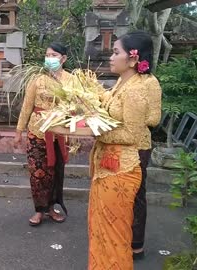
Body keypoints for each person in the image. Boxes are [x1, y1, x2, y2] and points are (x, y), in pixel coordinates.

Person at [87, 31, 154, 269]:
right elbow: (110, 108)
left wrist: (95, 130)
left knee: (114, 233)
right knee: (101, 229)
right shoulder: (122, 82)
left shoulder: (137, 89)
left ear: (133, 59)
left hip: (121, 169)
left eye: (116, 52)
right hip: (107, 164)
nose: (111, 57)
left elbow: (132, 134)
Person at [14, 42, 73, 226]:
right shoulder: (37, 79)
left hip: (60, 133)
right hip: (37, 131)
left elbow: (78, 104)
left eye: (54, 55)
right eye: (47, 55)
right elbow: (26, 106)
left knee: (56, 172)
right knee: (38, 173)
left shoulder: (71, 80)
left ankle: (51, 208)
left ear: (63, 58)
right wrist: (19, 131)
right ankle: (39, 209)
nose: (49, 58)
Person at [132, 50, 162, 260]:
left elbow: (154, 118)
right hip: (121, 145)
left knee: (136, 194)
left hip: (139, 145)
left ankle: (137, 244)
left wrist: (133, 114)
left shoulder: (150, 82)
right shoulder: (126, 80)